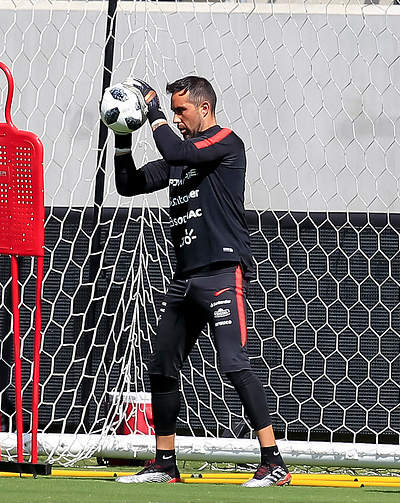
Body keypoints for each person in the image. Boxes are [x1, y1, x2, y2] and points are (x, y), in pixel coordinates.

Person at [105, 76, 291, 488]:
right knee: (162, 367)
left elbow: (176, 147)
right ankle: (165, 464)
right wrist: (121, 137)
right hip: (185, 280)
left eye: (180, 110)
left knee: (233, 363)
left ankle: (273, 462)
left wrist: (151, 111)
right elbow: (128, 184)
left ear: (204, 108)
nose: (175, 116)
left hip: (222, 274)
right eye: (171, 111)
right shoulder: (178, 157)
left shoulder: (226, 142)